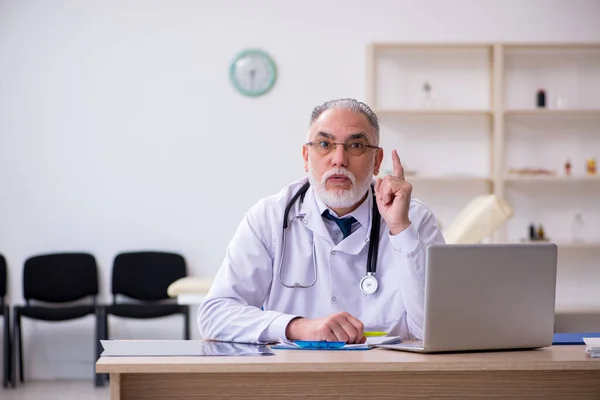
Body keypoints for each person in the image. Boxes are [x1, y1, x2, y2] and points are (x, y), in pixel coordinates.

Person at [198, 98, 445, 344]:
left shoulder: (416, 219)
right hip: (294, 375)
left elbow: (436, 330)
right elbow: (215, 315)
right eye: (325, 144)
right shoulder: (268, 217)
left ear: (377, 161)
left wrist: (400, 229)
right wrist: (296, 326)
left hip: (388, 376)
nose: (339, 159)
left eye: (356, 145)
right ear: (306, 156)